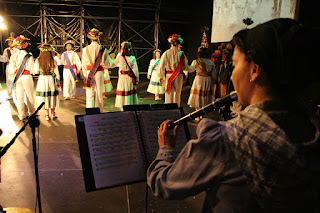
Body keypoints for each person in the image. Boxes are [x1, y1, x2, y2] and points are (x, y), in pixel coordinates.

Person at [147, 18, 320, 212]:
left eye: (235, 65)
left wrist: (165, 150)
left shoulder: (224, 141)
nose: (231, 75)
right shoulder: (314, 129)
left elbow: (164, 183)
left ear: (254, 70)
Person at [82, 28, 115, 112]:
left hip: (89, 72)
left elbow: (83, 64)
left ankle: (90, 111)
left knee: (89, 93)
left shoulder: (85, 49)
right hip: (99, 73)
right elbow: (108, 64)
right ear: (98, 37)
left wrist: (85, 74)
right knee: (99, 93)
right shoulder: (103, 49)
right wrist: (115, 62)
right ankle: (99, 110)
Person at [7, 35, 35, 122]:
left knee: (19, 96)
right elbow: (32, 69)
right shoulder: (28, 56)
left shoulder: (13, 56)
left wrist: (12, 78)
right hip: (26, 76)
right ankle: (31, 113)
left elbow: (11, 69)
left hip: (17, 77)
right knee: (29, 95)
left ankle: (21, 115)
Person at [157, 34, 189, 107]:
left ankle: (168, 109)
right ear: (179, 43)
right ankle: (176, 109)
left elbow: (161, 67)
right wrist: (194, 67)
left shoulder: (166, 53)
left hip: (169, 76)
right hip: (179, 76)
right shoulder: (181, 53)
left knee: (168, 93)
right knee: (177, 93)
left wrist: (161, 77)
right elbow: (186, 67)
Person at [34, 43, 60, 121]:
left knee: (45, 96)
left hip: (42, 79)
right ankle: (53, 112)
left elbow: (35, 71)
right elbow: (57, 73)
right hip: (50, 79)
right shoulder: (53, 60)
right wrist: (58, 82)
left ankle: (47, 114)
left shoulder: (38, 60)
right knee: (52, 96)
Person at [187, 47, 216, 114]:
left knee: (198, 96)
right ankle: (204, 112)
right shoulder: (210, 62)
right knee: (206, 96)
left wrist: (184, 66)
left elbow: (190, 69)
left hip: (199, 80)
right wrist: (213, 81)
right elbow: (214, 74)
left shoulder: (197, 61)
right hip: (208, 80)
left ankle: (198, 113)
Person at [114, 41, 139, 109]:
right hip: (129, 77)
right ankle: (129, 106)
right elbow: (135, 70)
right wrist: (136, 79)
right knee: (129, 92)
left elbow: (114, 64)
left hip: (122, 77)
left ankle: (123, 107)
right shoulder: (132, 58)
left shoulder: (119, 56)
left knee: (123, 91)